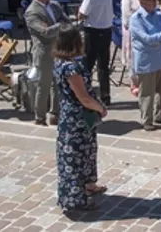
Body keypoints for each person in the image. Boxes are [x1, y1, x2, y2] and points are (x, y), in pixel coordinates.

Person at [54, 26, 109, 213]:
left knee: (87, 152)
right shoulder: (70, 68)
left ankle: (89, 185)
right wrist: (100, 108)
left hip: (78, 119)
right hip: (76, 120)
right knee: (75, 159)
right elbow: (83, 97)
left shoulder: (63, 62)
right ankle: (76, 199)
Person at [130, 0, 161, 131]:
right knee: (147, 92)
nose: (155, 2)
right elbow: (146, 39)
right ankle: (147, 120)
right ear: (143, 1)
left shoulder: (159, 14)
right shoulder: (136, 19)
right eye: (151, 0)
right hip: (147, 61)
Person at [25, 0, 68, 126]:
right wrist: (59, 26)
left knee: (58, 83)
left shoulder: (54, 5)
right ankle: (40, 117)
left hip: (59, 49)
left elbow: (65, 20)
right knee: (44, 85)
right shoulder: (32, 12)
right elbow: (45, 32)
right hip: (44, 52)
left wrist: (57, 26)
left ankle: (55, 113)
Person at [76, 0, 114, 105]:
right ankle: (105, 96)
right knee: (103, 65)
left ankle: (85, 94)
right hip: (106, 30)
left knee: (87, 65)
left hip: (93, 31)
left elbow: (82, 15)